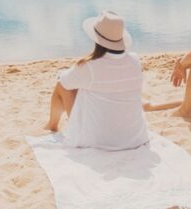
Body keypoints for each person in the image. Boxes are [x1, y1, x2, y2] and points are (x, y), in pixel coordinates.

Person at [44, 11, 149, 151]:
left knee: (62, 85)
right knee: (82, 85)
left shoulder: (89, 67)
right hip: (135, 137)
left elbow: (64, 80)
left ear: (97, 39)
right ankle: (53, 125)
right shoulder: (135, 61)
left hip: (98, 140)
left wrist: (70, 70)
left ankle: (52, 126)